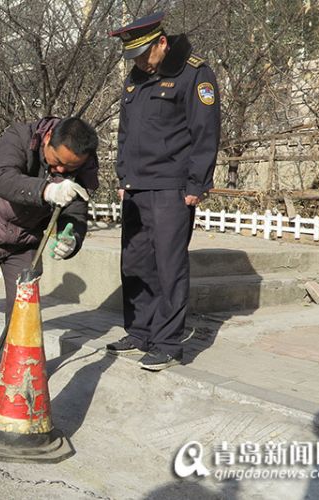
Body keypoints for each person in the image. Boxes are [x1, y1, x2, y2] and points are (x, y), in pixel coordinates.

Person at [0, 117, 100, 375]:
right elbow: (2, 178)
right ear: (47, 140)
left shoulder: (83, 166)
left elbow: (76, 214)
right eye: (57, 162)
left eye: (70, 168)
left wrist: (72, 239)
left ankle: (17, 363)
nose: (62, 172)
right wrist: (46, 190)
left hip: (26, 241)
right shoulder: (20, 137)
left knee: (24, 304)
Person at [106, 12, 221, 371]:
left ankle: (168, 343)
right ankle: (140, 331)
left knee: (168, 266)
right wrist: (123, 177)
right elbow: (125, 135)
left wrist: (196, 184)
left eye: (143, 53)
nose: (138, 61)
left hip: (172, 188)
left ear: (161, 42)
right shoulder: (135, 79)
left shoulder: (193, 73)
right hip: (136, 188)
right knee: (135, 263)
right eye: (133, 55)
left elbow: (206, 132)